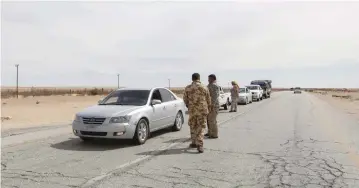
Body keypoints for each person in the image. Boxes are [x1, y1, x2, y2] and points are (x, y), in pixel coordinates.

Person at [183, 73, 211, 153]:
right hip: (202, 110)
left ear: (192, 79)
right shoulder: (204, 87)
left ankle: (194, 142)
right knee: (201, 127)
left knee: (193, 125)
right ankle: (200, 144)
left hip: (192, 110)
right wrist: (208, 107)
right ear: (199, 78)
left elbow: (185, 99)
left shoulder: (188, 88)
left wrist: (189, 105)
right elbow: (208, 99)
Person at [205, 74, 219, 138]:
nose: (208, 80)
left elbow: (215, 96)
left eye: (209, 78)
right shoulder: (210, 85)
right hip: (209, 105)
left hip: (213, 106)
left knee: (212, 120)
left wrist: (212, 105)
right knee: (209, 120)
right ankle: (210, 132)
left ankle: (214, 134)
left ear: (213, 79)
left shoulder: (214, 85)